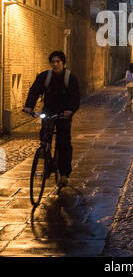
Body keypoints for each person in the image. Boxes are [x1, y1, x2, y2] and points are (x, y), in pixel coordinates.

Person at [23, 51, 80, 187]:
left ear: (63, 63)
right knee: (44, 135)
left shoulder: (70, 78)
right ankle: (47, 160)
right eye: (53, 62)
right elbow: (35, 90)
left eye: (58, 62)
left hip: (64, 113)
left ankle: (64, 173)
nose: (55, 64)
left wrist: (70, 110)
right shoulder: (45, 76)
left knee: (64, 141)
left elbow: (75, 96)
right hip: (49, 111)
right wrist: (29, 106)